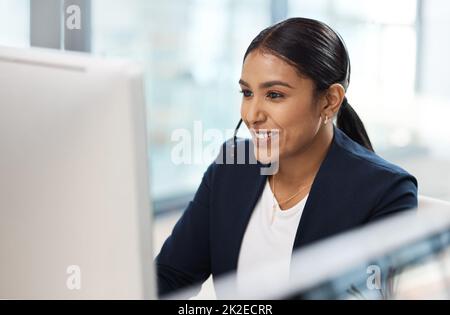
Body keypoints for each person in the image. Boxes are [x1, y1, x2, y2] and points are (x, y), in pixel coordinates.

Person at [155, 17, 418, 298]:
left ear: (330, 101)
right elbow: (171, 275)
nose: (252, 115)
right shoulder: (231, 167)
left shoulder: (385, 192)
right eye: (247, 92)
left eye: (275, 95)